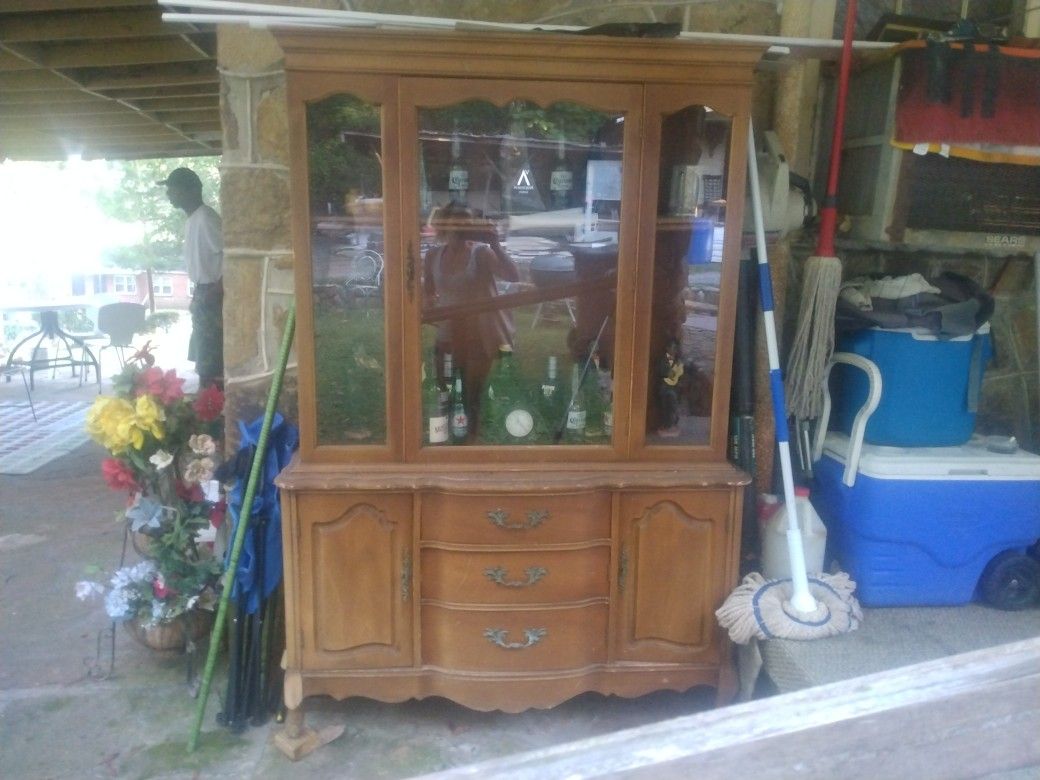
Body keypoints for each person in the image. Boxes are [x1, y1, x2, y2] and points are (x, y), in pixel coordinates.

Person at [423, 202, 519, 419]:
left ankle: (469, 444)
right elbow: (428, 292)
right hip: (446, 335)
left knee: (471, 396)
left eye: (467, 224)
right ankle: (445, 444)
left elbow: (513, 276)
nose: (461, 229)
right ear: (444, 226)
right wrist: (429, 308)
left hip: (478, 336)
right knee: (444, 393)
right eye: (456, 223)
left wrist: (495, 244)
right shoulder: (433, 256)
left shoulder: (481, 253)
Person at [157, 167, 223, 389]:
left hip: (213, 293)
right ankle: (209, 408)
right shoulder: (193, 219)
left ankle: (216, 413)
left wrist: (217, 290)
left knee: (211, 363)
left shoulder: (206, 218)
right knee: (203, 360)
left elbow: (233, 257)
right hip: (203, 292)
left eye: (172, 188)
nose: (168, 194)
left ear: (189, 190)